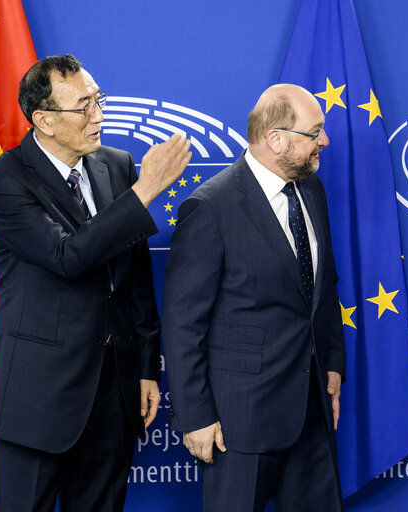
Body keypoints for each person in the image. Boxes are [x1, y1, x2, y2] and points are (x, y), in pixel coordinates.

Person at [0, 54, 191, 512]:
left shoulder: (116, 166)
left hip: (112, 396)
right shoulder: (5, 181)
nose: (99, 115)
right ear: (45, 120)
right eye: (84, 105)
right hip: (38, 402)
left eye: (99, 100)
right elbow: (66, 257)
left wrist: (146, 367)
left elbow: (134, 276)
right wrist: (145, 191)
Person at [162, 83, 346, 511]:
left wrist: (332, 361)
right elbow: (182, 323)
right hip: (238, 423)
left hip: (311, 410)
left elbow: (323, 286)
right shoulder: (211, 207)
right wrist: (195, 416)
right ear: (275, 138)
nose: (325, 141)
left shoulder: (312, 190)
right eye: (315, 132)